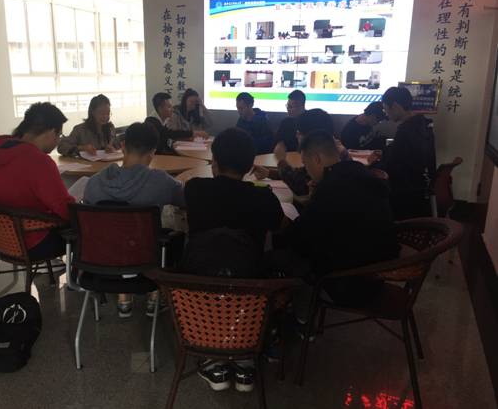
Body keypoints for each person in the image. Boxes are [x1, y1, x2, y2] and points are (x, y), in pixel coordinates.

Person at [183, 127, 284, 393]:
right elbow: (278, 224)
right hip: (250, 289)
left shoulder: (194, 190)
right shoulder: (262, 196)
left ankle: (213, 359)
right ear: (250, 166)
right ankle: (246, 358)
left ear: (214, 162)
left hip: (198, 289)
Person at [281, 130, 399, 313]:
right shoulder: (359, 172)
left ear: (317, 159)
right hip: (379, 271)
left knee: (281, 255)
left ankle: (300, 315)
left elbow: (299, 240)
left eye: (306, 164)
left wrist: (304, 208)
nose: (307, 171)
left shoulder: (330, 190)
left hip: (349, 284)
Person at [83, 122, 185, 318]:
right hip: (145, 260)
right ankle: (155, 296)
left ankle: (124, 298)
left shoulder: (94, 183)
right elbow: (184, 200)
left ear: (123, 146)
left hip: (101, 262)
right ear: (152, 152)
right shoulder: (160, 181)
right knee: (174, 234)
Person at [0, 102, 74, 258]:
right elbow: (64, 209)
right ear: (52, 131)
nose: (57, 141)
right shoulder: (40, 162)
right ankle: (82, 273)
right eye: (59, 135)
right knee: (88, 231)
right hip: (33, 242)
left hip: (0, 240)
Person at [253, 108, 350, 197]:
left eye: (299, 132)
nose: (296, 135)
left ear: (310, 136)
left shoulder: (328, 171)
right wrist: (269, 173)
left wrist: (281, 161)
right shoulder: (339, 154)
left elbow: (300, 185)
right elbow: (302, 174)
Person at [380, 87, 436, 220]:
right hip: (422, 190)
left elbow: (392, 166)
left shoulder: (405, 130)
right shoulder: (424, 124)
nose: (386, 114)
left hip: (405, 193)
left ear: (395, 106)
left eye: (386, 109)